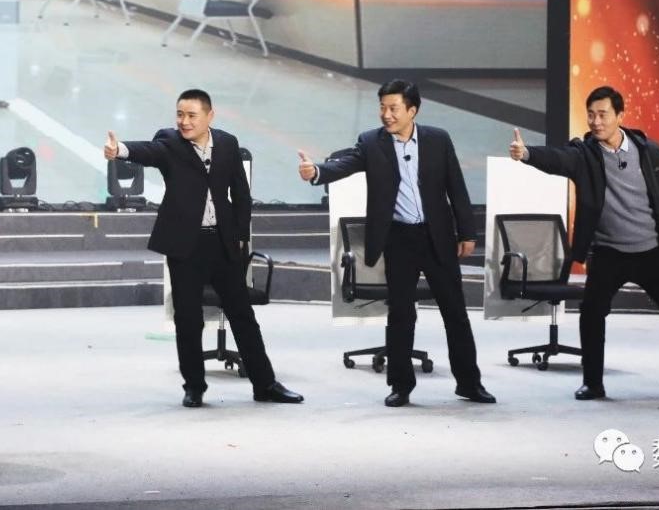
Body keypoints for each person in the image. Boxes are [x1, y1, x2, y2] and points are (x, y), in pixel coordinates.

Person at [510, 85, 659, 400]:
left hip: (653, 251)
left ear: (620, 116)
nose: (596, 122)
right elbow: (558, 159)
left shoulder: (649, 151)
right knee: (592, 314)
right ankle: (593, 383)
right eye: (591, 115)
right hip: (608, 253)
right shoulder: (585, 155)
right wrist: (527, 154)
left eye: (603, 114)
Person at [299, 79, 495, 407]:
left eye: (393, 108)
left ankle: (469, 383)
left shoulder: (438, 140)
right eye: (382, 108)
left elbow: (456, 188)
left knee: (455, 313)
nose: (386, 115)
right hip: (400, 238)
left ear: (412, 110)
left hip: (437, 237)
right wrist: (316, 172)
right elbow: (344, 165)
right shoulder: (371, 142)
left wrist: (467, 233)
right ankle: (400, 385)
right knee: (401, 314)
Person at [104, 89, 304, 408]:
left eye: (191, 115)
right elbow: (148, 151)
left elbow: (240, 193)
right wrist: (120, 150)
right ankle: (194, 387)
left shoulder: (227, 143)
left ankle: (265, 384)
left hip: (223, 243)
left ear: (210, 116)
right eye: (180, 114)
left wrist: (241, 236)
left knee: (243, 315)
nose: (184, 121)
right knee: (188, 318)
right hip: (186, 244)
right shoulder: (170, 142)